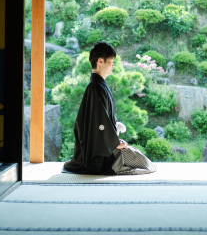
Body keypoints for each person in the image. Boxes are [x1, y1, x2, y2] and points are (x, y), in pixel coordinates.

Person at [63, 42, 156, 175]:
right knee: (144, 164)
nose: (113, 66)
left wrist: (115, 141)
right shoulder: (95, 87)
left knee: (143, 161)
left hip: (105, 148)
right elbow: (99, 124)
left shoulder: (99, 85)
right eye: (111, 62)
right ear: (100, 61)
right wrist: (115, 143)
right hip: (100, 156)